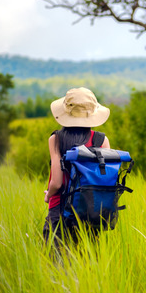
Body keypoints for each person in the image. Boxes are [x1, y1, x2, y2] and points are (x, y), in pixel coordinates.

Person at [43, 87, 111, 246]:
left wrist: (48, 195)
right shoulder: (101, 140)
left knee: (55, 263)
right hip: (90, 209)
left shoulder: (56, 139)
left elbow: (57, 183)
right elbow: (105, 179)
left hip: (59, 207)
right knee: (87, 262)